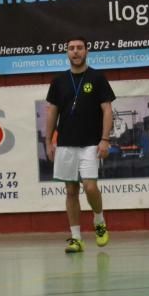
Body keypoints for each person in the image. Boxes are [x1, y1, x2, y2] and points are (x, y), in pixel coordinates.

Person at [44, 36, 116, 253]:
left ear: (87, 51)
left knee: (90, 186)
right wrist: (48, 142)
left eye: (79, 48)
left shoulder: (97, 78)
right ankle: (76, 238)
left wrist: (105, 139)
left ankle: (99, 220)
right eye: (71, 48)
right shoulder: (58, 81)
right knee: (71, 191)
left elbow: (107, 110)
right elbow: (52, 112)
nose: (75, 52)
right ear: (67, 52)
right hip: (65, 144)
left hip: (90, 144)